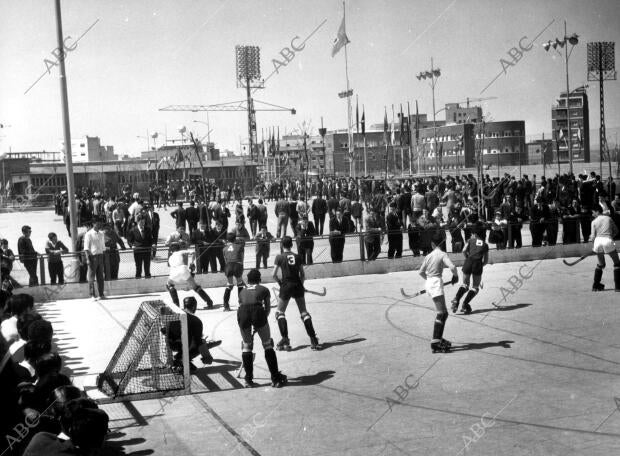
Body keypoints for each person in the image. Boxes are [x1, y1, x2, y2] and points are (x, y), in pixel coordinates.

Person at [237, 269, 287, 388]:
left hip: (242, 313)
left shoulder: (242, 291)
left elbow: (242, 305)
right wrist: (260, 322)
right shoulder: (264, 289)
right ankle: (275, 378)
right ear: (259, 279)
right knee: (267, 344)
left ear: (248, 280)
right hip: (257, 312)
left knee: (247, 346)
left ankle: (248, 380)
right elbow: (268, 309)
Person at [272, 236, 322, 351]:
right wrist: (301, 285)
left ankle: (285, 339)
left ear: (281, 245)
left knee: (280, 312)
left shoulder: (279, 257)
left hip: (286, 286)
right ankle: (313, 339)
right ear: (291, 245)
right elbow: (303, 275)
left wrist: (281, 284)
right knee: (304, 312)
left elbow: (273, 274)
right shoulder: (298, 256)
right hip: (298, 285)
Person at [419, 232, 459, 353]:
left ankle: (438, 339)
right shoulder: (442, 254)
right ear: (442, 243)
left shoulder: (428, 256)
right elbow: (452, 267)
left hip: (431, 282)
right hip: (436, 283)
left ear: (432, 244)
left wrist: (429, 281)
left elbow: (421, 272)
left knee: (444, 313)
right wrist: (455, 277)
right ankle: (435, 343)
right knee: (441, 313)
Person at [164, 296, 221, 374]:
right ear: (194, 307)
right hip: (183, 346)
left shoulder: (174, 315)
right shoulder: (196, 321)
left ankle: (179, 358)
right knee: (201, 342)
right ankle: (181, 359)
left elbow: (164, 330)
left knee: (195, 340)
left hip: (171, 344)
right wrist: (207, 357)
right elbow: (198, 342)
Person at [451, 223, 489, 314]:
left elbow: (464, 250)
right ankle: (465, 304)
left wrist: (467, 258)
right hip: (478, 264)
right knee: (475, 287)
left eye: (472, 233)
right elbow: (486, 261)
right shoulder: (485, 245)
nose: (471, 235)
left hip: (468, 261)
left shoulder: (470, 240)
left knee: (465, 284)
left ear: (475, 234)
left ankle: (456, 299)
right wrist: (480, 265)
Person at [166, 244, 214, 308]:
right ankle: (209, 302)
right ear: (179, 249)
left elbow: (169, 265)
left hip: (174, 272)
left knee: (169, 285)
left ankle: (176, 305)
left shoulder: (170, 257)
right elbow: (193, 252)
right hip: (183, 269)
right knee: (195, 287)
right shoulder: (181, 252)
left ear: (171, 251)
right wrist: (192, 262)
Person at [589, 204, 620, 292]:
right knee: (617, 263)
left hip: (597, 242)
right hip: (608, 240)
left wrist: (593, 246)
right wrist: (611, 237)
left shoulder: (594, 222)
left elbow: (592, 237)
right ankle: (618, 286)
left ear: (597, 211)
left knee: (601, 264)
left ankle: (595, 286)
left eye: (593, 212)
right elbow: (616, 231)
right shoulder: (609, 218)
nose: (592, 214)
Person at [222, 232, 246, 312]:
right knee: (240, 284)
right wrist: (241, 268)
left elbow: (225, 260)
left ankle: (226, 306)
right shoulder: (240, 246)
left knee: (229, 285)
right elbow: (242, 258)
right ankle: (241, 303)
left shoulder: (224, 248)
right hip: (237, 265)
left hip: (228, 266)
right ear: (235, 239)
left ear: (227, 240)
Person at [83, 222, 106, 300]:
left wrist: (103, 256)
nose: (99, 225)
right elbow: (86, 248)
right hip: (93, 257)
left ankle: (101, 294)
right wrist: (88, 259)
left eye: (99, 223)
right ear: (93, 224)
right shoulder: (88, 234)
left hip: (100, 256)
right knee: (91, 277)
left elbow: (103, 247)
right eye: (97, 223)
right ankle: (92, 295)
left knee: (101, 277)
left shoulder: (101, 233)